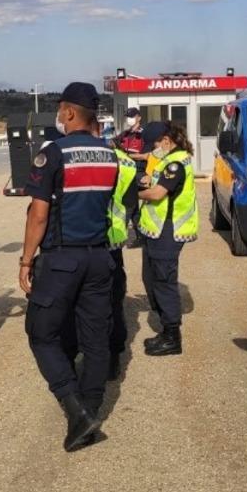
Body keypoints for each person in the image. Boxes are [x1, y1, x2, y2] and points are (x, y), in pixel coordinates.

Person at [20, 82, 118, 452]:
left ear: (71, 113)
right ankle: (90, 411)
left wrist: (26, 260)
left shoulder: (53, 154)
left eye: (61, 110)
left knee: (41, 332)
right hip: (99, 257)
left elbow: (38, 217)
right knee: (95, 339)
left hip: (62, 258)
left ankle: (75, 409)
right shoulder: (109, 155)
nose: (59, 116)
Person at [136, 120, 199, 357]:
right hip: (159, 230)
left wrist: (133, 195)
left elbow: (157, 193)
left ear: (166, 140)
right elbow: (154, 183)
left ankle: (172, 337)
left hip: (168, 231)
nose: (152, 149)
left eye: (154, 143)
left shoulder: (175, 164)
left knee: (164, 281)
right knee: (153, 278)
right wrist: (144, 180)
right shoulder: (167, 160)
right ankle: (166, 330)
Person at [106, 144, 139, 379]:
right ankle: (112, 358)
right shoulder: (126, 163)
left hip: (78, 243)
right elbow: (130, 204)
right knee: (113, 301)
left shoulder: (66, 154)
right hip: (113, 241)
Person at [115, 108, 147, 245]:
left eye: (131, 116)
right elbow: (113, 143)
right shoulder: (125, 134)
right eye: (127, 117)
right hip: (125, 173)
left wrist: (128, 155)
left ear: (138, 118)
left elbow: (147, 155)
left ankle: (120, 235)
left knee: (129, 204)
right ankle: (141, 237)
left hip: (138, 172)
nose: (129, 119)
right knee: (133, 208)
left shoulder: (144, 135)